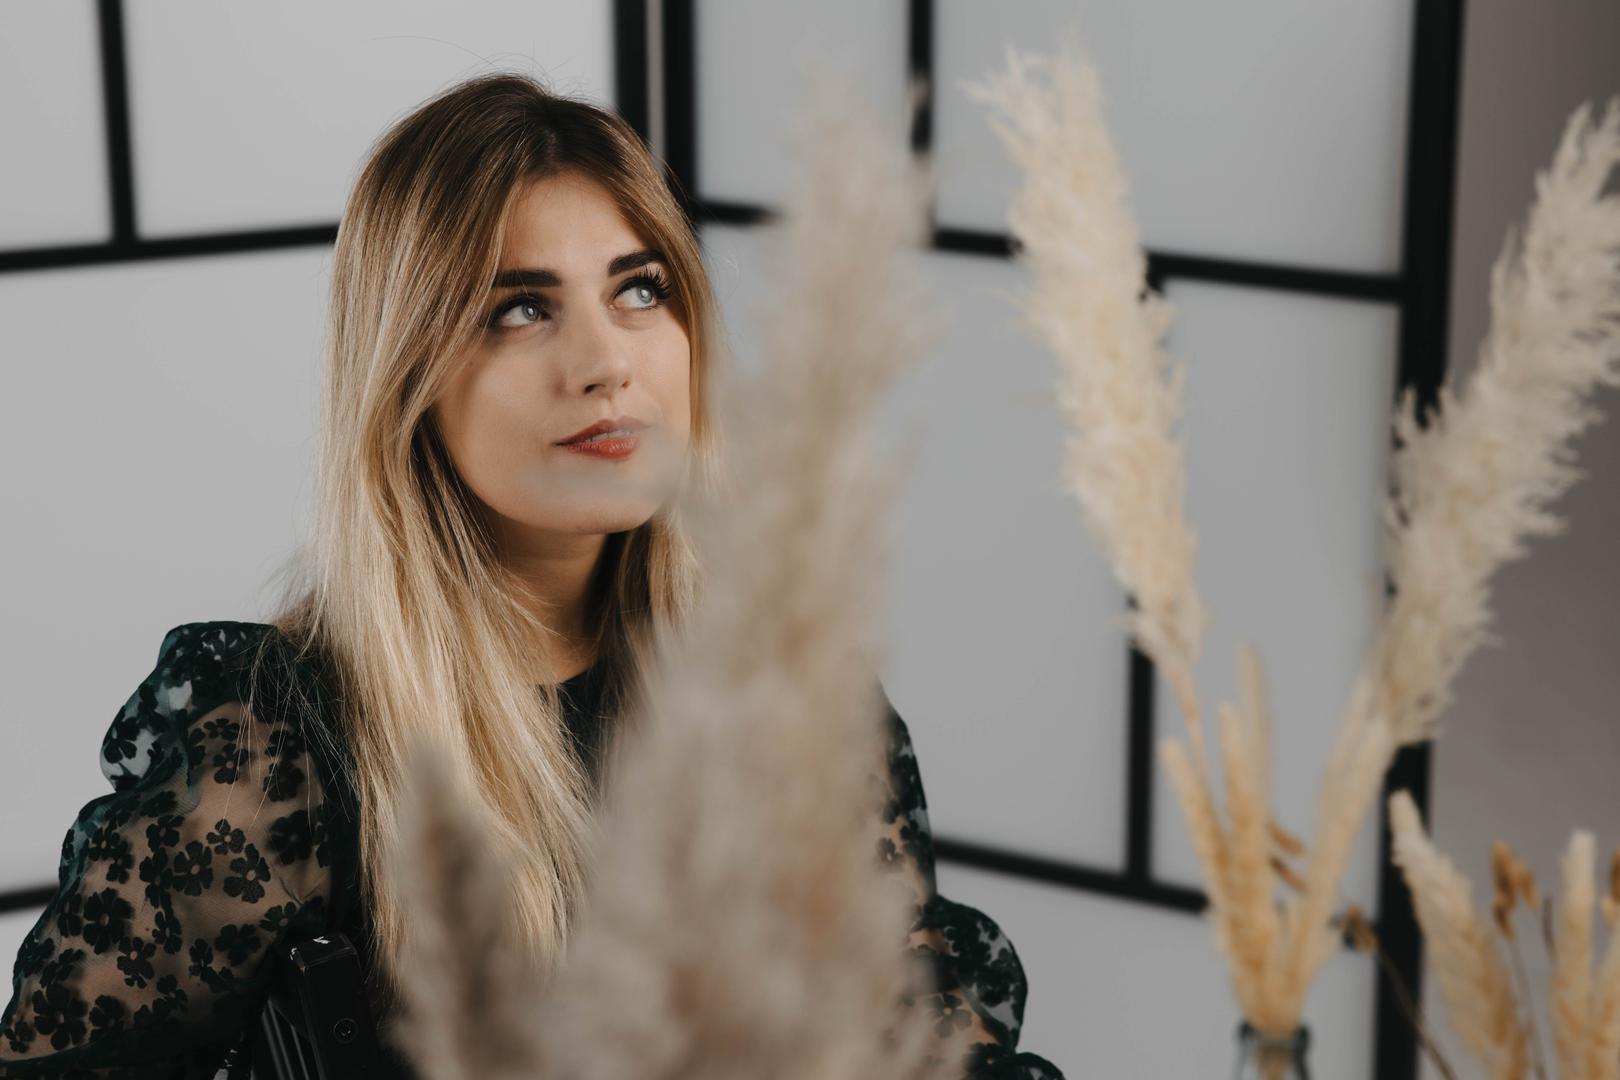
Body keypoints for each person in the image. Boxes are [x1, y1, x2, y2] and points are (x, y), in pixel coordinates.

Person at [0, 72, 1065, 1079]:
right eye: (520, 308)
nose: (608, 363)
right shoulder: (273, 749)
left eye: (640, 290)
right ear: (408, 376)